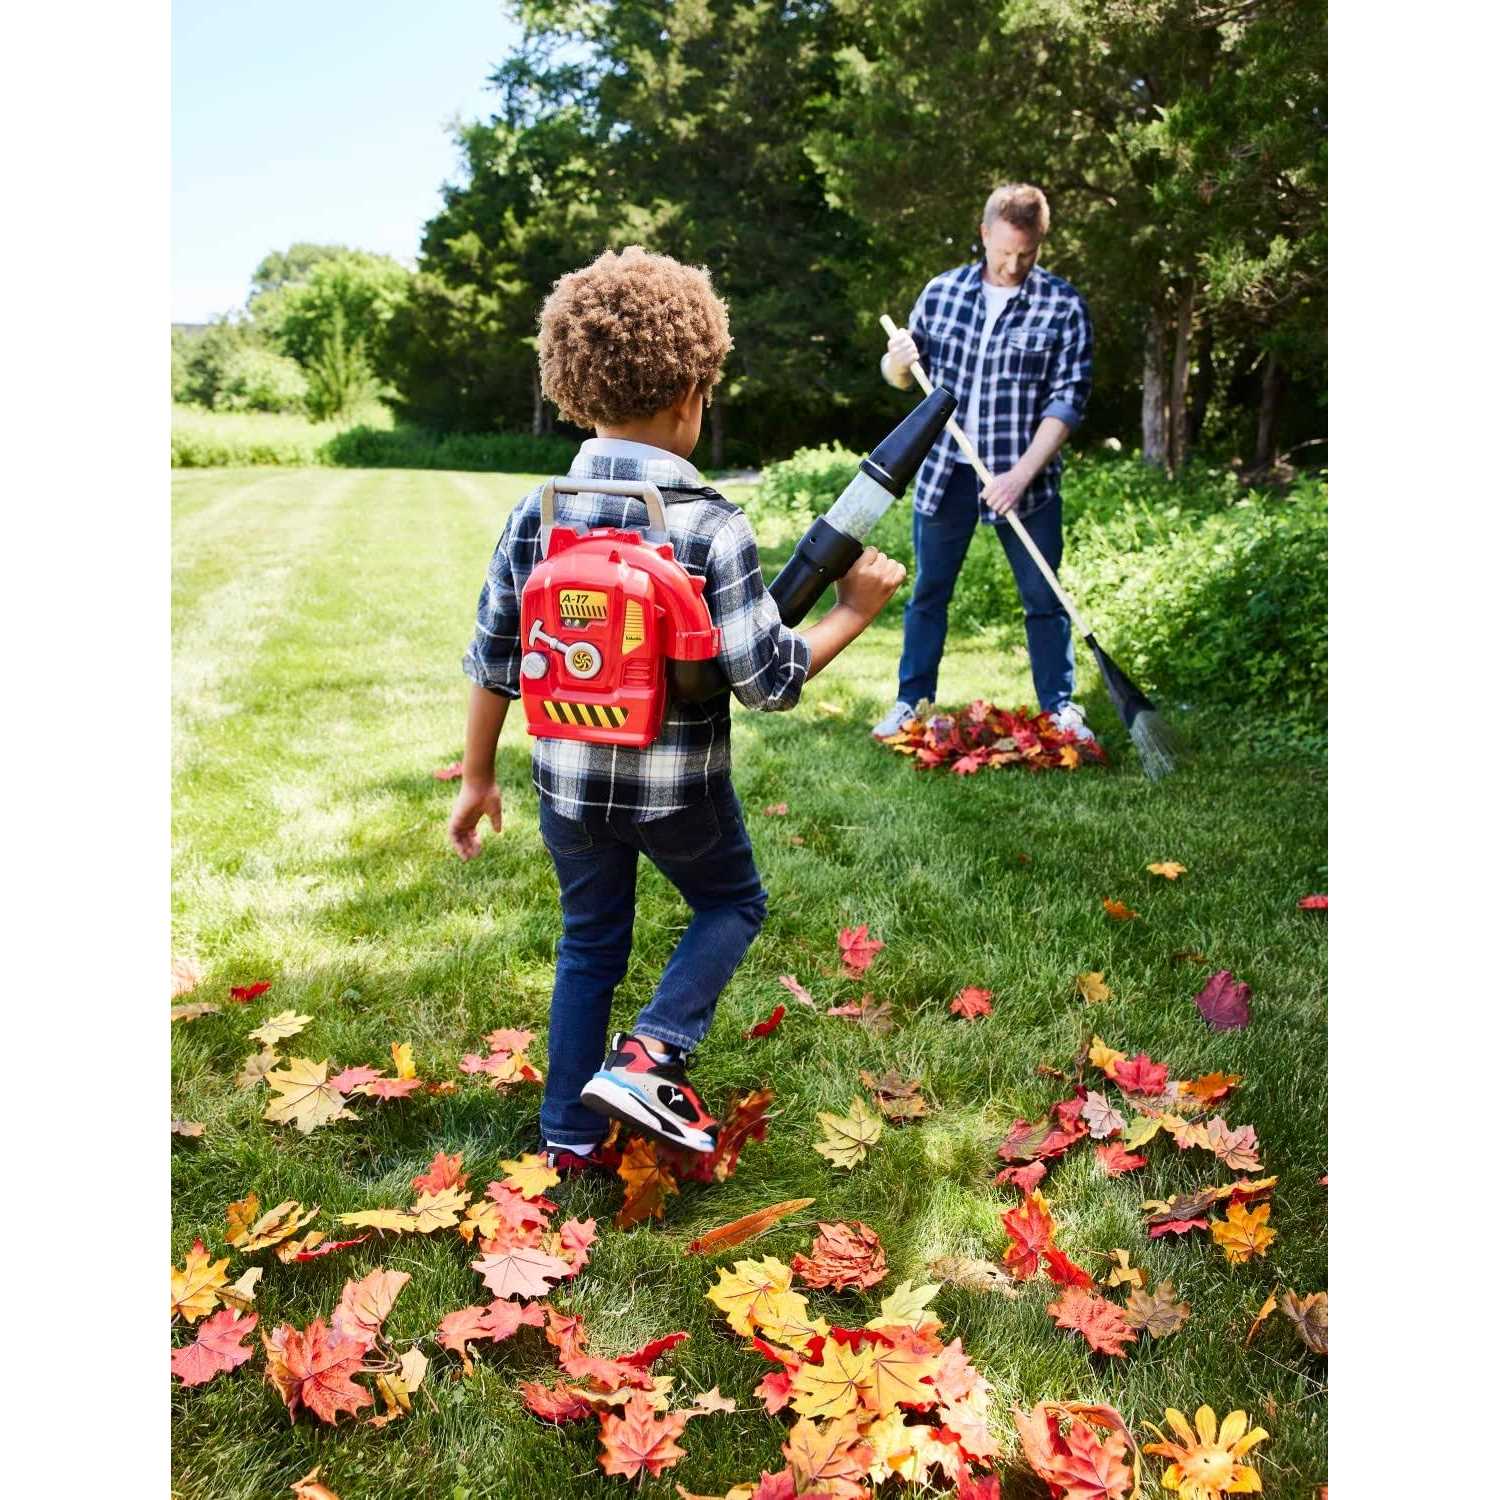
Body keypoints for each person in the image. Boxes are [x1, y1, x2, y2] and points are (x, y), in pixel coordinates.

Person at [447, 246, 906, 1176]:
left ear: (575, 391)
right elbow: (768, 678)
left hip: (567, 786)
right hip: (677, 789)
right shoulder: (707, 523)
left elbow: (495, 657)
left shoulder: (537, 514)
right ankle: (653, 1051)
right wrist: (855, 610)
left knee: (589, 945)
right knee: (732, 901)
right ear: (692, 395)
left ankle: (567, 1138)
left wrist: (479, 775)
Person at [873, 183, 1096, 742]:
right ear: (984, 234)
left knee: (1044, 599)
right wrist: (897, 363)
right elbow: (903, 377)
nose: (1014, 264)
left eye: (1027, 253)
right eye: (1004, 252)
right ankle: (911, 701)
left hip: (1027, 480)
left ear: (1041, 242)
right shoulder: (942, 292)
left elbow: (1067, 402)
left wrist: (1020, 474)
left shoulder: (1063, 306)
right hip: (946, 470)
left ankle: (1060, 708)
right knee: (929, 594)